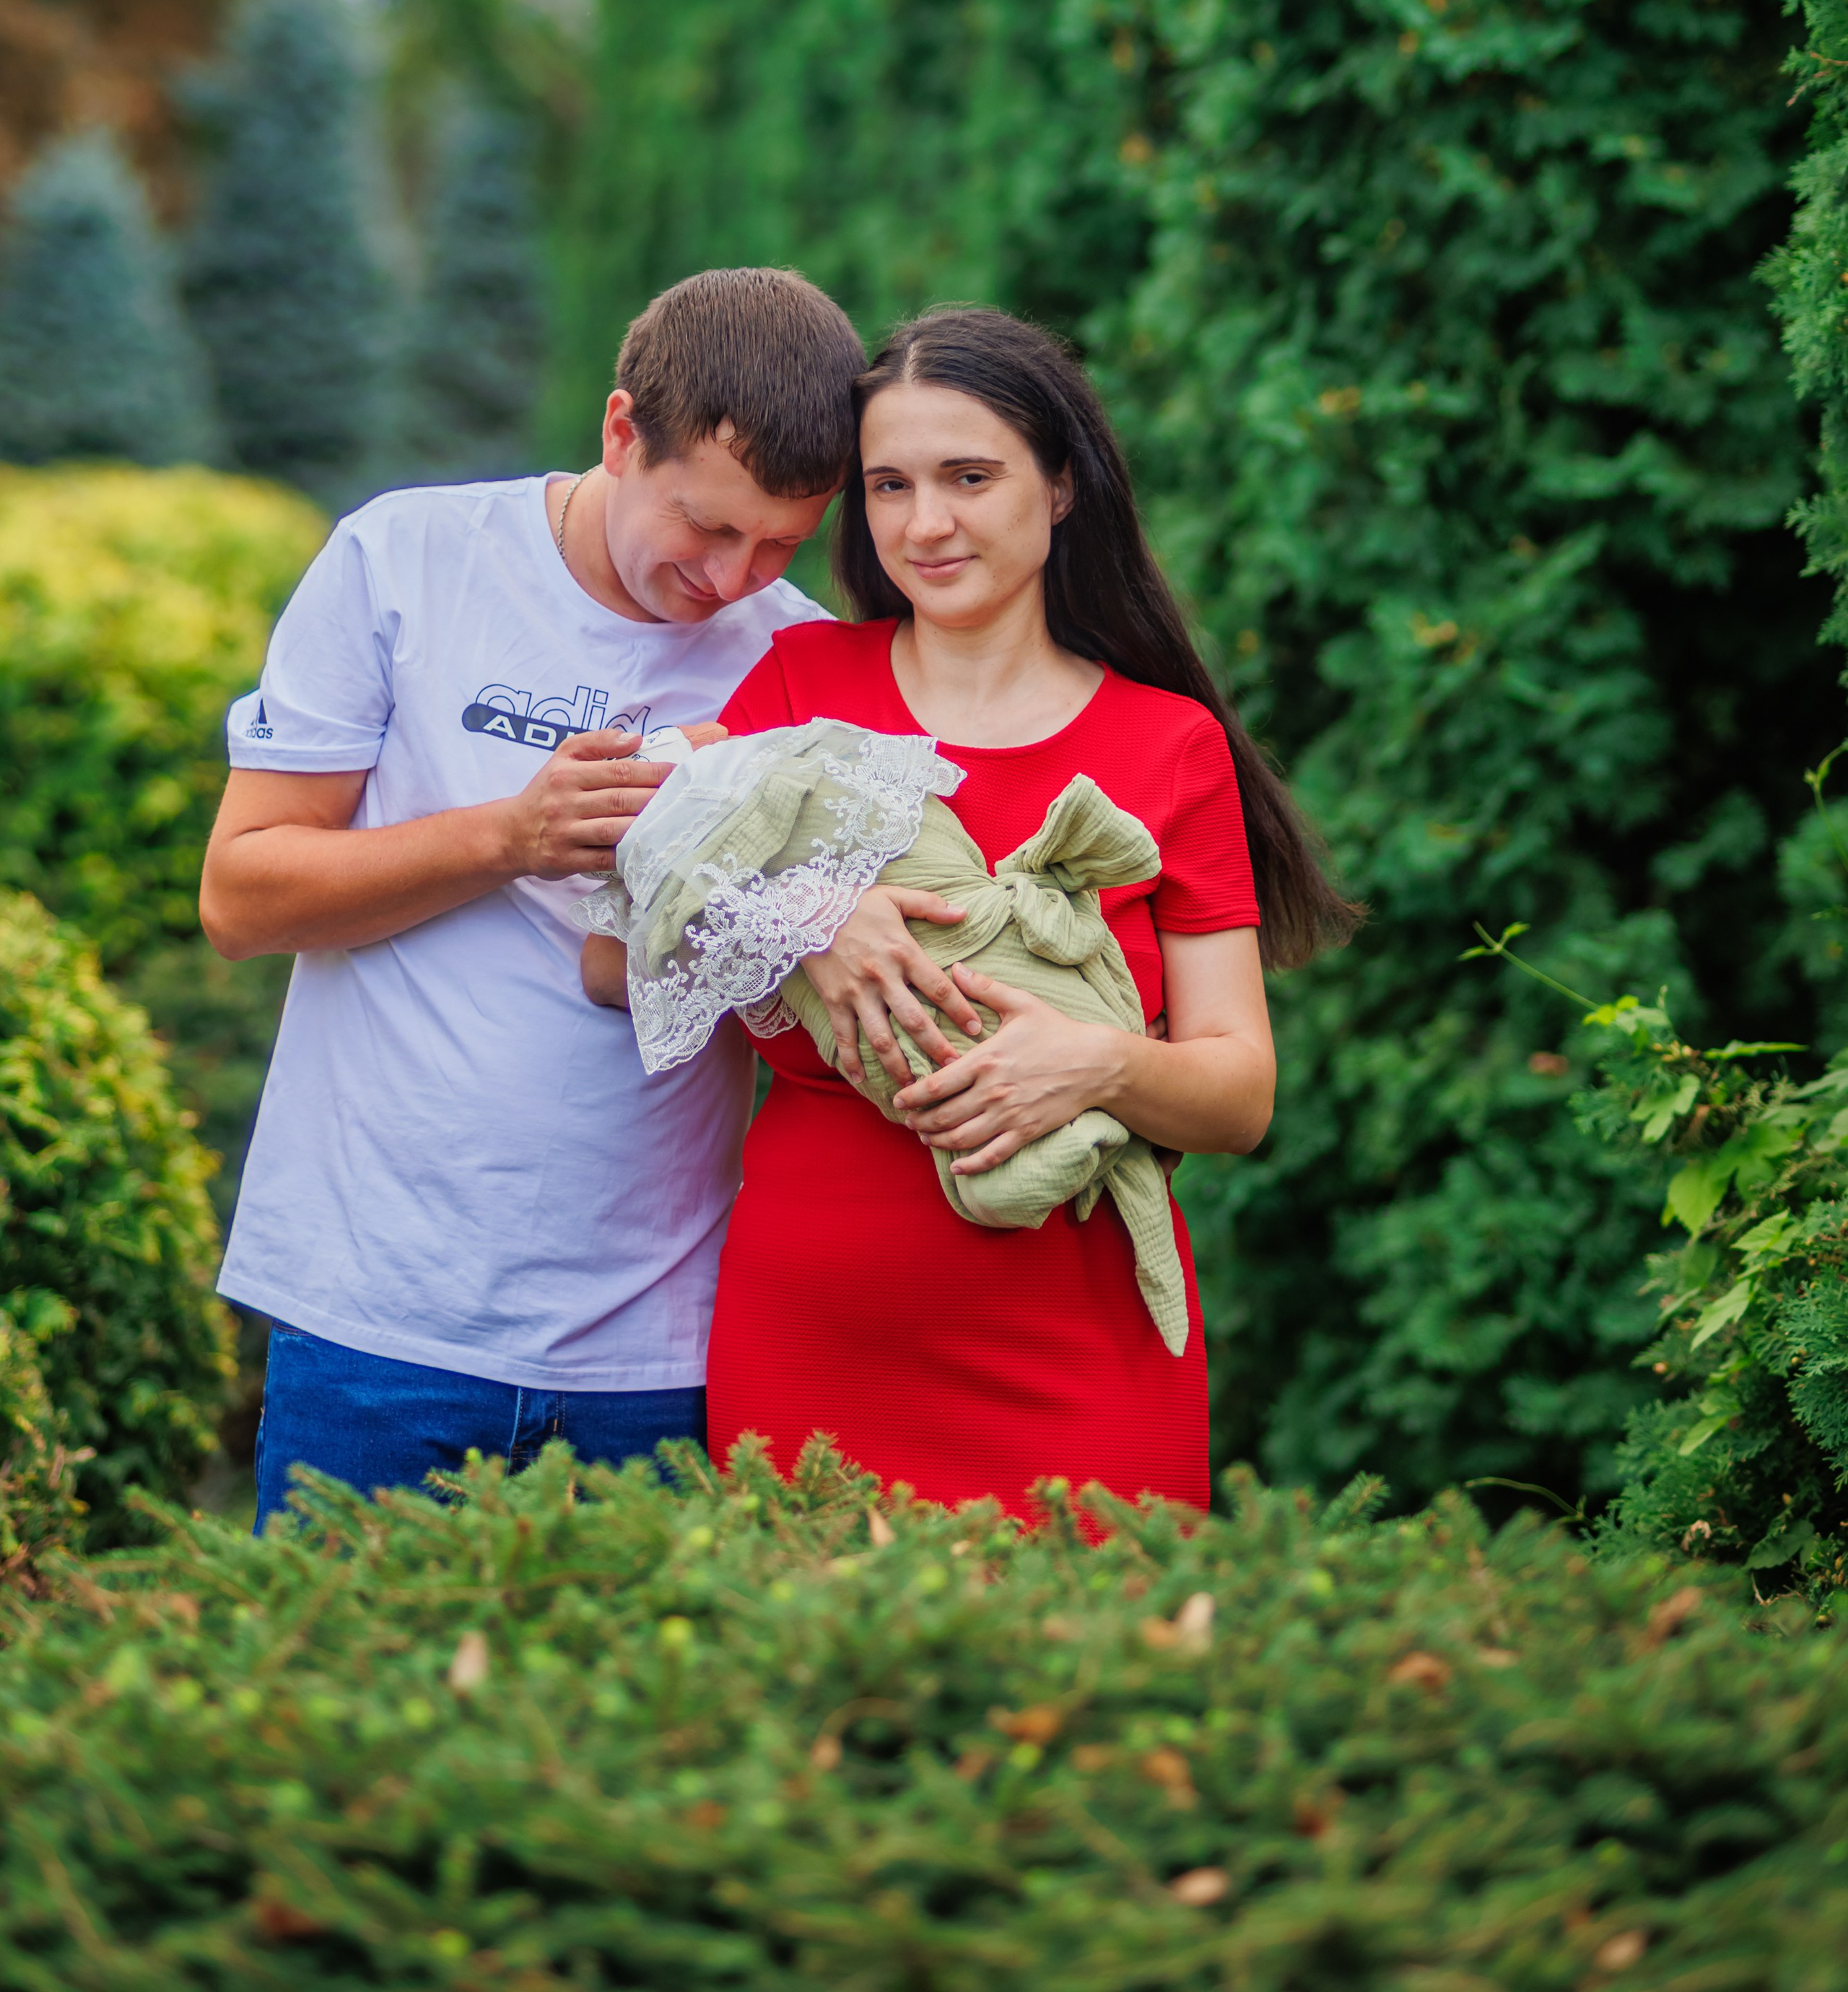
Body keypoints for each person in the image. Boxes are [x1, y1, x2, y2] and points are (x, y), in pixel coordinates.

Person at [199, 267, 865, 1526]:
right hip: (378, 1317)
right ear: (622, 433)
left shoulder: (800, 656)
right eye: (706, 525)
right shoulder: (405, 560)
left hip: (661, 1348)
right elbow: (242, 895)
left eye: (780, 540)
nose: (734, 577)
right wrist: (512, 834)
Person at [687, 305, 1358, 1517]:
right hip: (809, 1351)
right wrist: (807, 916)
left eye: (970, 476)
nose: (925, 523)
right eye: (888, 485)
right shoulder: (798, 690)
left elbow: (1240, 1092)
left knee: (1104, 1698)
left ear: (1059, 488)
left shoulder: (1170, 746)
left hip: (1081, 1362)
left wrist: (1096, 1066)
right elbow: (609, 955)